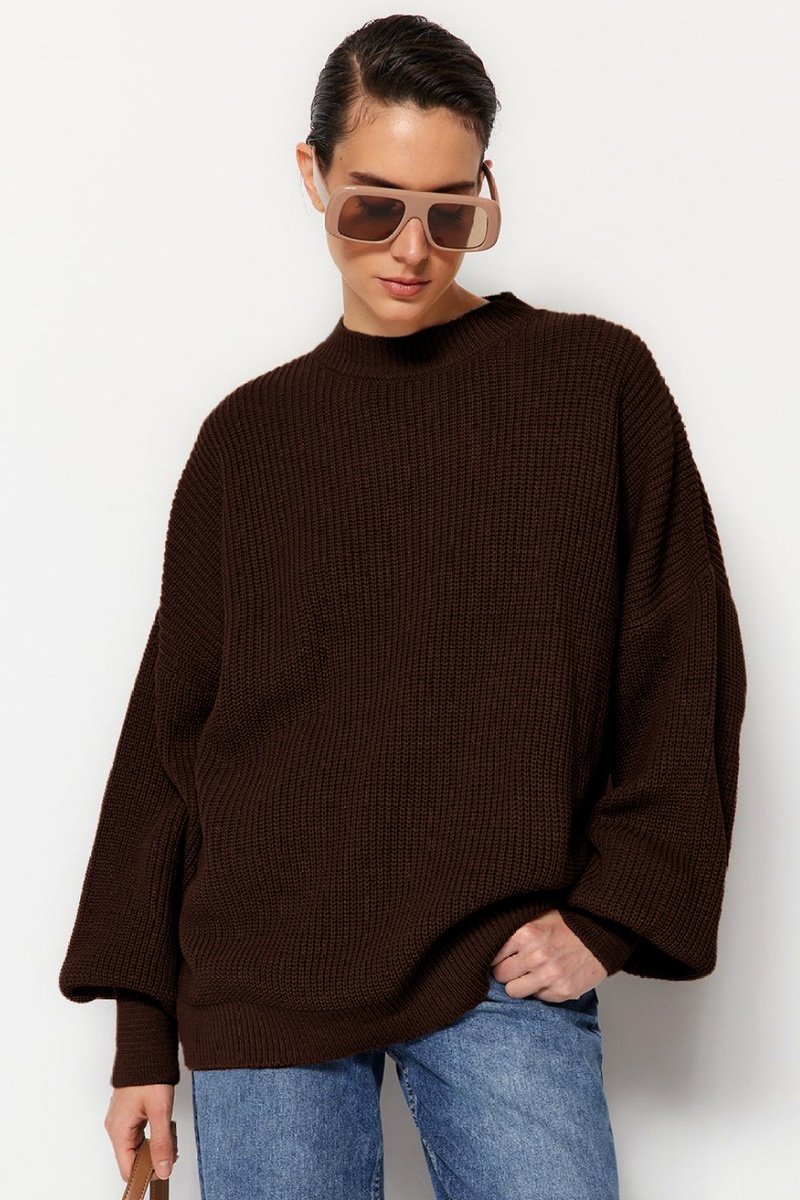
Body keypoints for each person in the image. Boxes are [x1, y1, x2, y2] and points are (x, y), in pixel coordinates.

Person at [58, 14, 748, 1200]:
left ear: (485, 188)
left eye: (449, 210)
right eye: (371, 207)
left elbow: (682, 664)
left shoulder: (590, 387)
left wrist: (613, 911)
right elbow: (170, 744)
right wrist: (142, 1035)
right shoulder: (248, 442)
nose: (411, 249)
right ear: (310, 173)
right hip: (262, 974)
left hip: (497, 963)